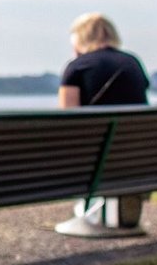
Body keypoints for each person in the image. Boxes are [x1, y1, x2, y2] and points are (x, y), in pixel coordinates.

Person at [55, 13, 150, 236]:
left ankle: (92, 212)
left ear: (79, 39)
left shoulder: (76, 67)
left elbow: (68, 122)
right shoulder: (132, 63)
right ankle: (110, 212)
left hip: (94, 160)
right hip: (138, 156)